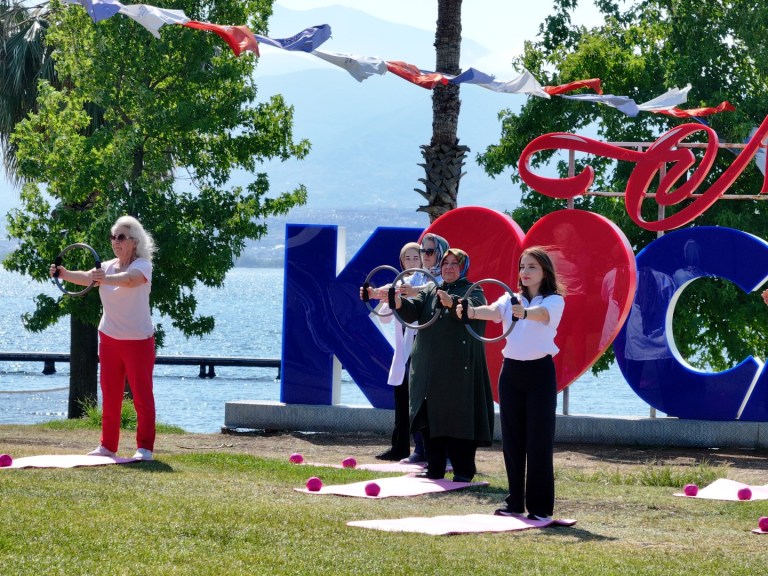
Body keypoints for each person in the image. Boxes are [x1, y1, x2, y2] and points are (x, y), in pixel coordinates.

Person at [458, 246, 565, 520]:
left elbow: (542, 314)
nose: (525, 272)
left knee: (538, 442)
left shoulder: (554, 300)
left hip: (540, 374)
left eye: (532, 267)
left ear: (544, 272)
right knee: (513, 441)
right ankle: (514, 502)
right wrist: (468, 311)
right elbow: (492, 312)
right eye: (522, 266)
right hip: (512, 374)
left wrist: (524, 313)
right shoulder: (509, 298)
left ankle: (540, 509)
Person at [50, 215, 157, 461]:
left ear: (134, 241)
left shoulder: (142, 266)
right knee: (110, 394)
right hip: (109, 338)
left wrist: (103, 279)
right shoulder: (106, 267)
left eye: (121, 237)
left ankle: (145, 448)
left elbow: (130, 281)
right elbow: (88, 278)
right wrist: (63, 273)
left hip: (139, 341)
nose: (115, 242)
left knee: (142, 395)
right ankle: (107, 446)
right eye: (113, 237)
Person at [392, 248, 494, 482]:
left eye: (454, 264)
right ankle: (434, 467)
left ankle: (463, 470)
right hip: (430, 370)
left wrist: (452, 303)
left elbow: (470, 312)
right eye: (445, 263)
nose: (448, 268)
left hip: (459, 373)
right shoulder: (430, 289)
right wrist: (397, 301)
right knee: (430, 419)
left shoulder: (474, 290)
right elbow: (412, 310)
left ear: (463, 268)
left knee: (460, 420)